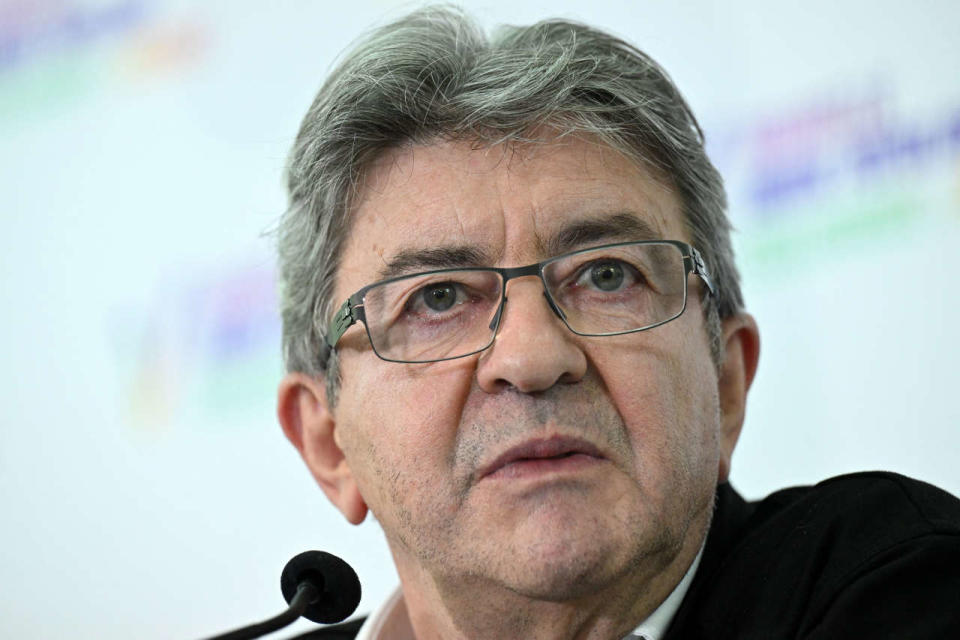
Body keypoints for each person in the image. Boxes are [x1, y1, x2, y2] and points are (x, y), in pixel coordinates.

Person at [274, 6, 960, 639]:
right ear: (328, 443)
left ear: (726, 382)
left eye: (607, 276)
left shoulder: (892, 587)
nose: (533, 357)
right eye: (439, 298)